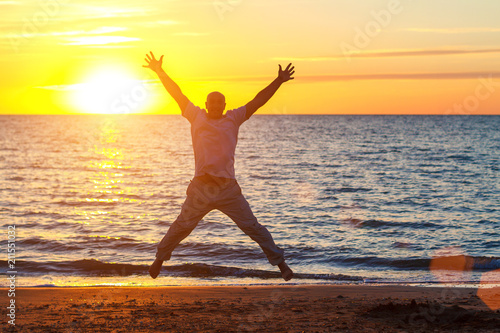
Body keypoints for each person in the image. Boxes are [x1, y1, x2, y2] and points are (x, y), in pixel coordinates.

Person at [143, 51, 295, 281]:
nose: (215, 105)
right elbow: (177, 93)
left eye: (219, 102)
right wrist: (159, 71)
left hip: (228, 190)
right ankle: (159, 259)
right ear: (206, 104)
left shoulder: (234, 118)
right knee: (181, 227)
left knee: (253, 228)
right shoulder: (195, 115)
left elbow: (258, 99)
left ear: (225, 105)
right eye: (211, 102)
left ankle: (281, 264)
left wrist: (278, 81)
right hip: (201, 189)